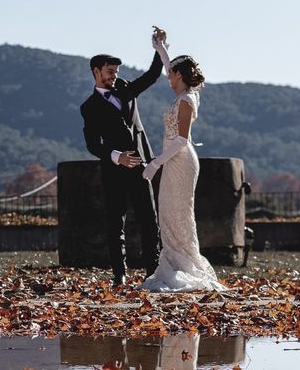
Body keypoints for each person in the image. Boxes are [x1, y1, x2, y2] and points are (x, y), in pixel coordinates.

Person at [141, 27, 226, 292]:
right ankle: (173, 264)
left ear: (180, 76)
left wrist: (155, 164)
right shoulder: (182, 95)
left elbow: (181, 140)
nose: (168, 76)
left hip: (180, 160)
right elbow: (170, 67)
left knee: (177, 213)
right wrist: (161, 48)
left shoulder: (187, 100)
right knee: (168, 212)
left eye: (171, 74)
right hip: (173, 160)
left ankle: (184, 265)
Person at [80, 49, 162, 287]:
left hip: (140, 166)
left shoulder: (125, 88)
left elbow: (152, 75)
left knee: (149, 220)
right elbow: (93, 145)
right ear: (96, 72)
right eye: (109, 71)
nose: (114, 75)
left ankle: (153, 272)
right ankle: (119, 274)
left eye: (116, 71)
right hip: (114, 171)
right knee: (116, 223)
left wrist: (159, 49)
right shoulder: (89, 107)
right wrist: (117, 157)